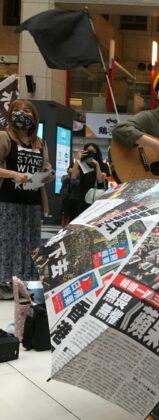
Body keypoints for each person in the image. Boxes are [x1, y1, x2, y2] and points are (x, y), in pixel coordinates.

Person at [0, 99, 55, 286]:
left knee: (31, 243)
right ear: (11, 115)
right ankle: (6, 282)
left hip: (33, 202)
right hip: (8, 200)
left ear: (34, 118)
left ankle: (28, 283)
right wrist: (13, 174)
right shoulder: (4, 137)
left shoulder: (39, 143)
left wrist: (48, 174)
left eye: (27, 112)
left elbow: (46, 166)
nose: (23, 116)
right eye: (18, 111)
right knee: (9, 242)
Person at [68, 143, 110, 217]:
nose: (90, 154)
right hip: (83, 197)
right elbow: (73, 177)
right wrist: (78, 160)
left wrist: (97, 165)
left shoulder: (103, 165)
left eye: (92, 152)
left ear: (97, 152)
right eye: (87, 152)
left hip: (98, 198)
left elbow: (100, 180)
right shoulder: (81, 164)